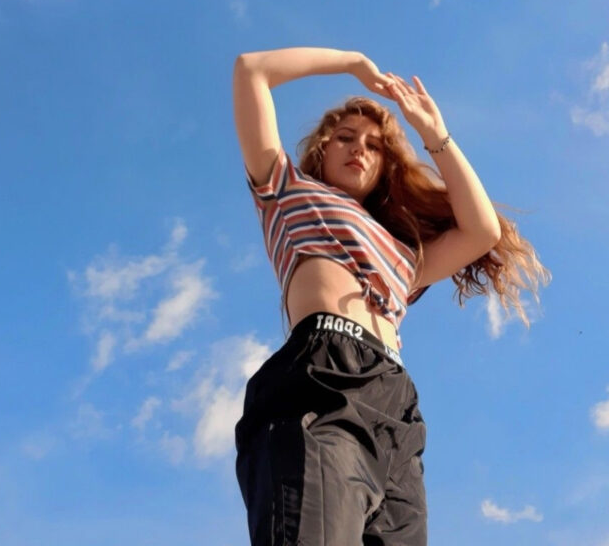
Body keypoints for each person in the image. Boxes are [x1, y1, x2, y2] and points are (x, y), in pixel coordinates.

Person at [232, 47, 551, 545]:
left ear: (386, 166)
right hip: (323, 373)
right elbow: (252, 70)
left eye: (374, 146)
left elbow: (482, 231)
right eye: (345, 137)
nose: (358, 148)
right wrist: (353, 63)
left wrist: (433, 132)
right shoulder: (287, 190)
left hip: (396, 404)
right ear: (321, 149)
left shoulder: (406, 256)